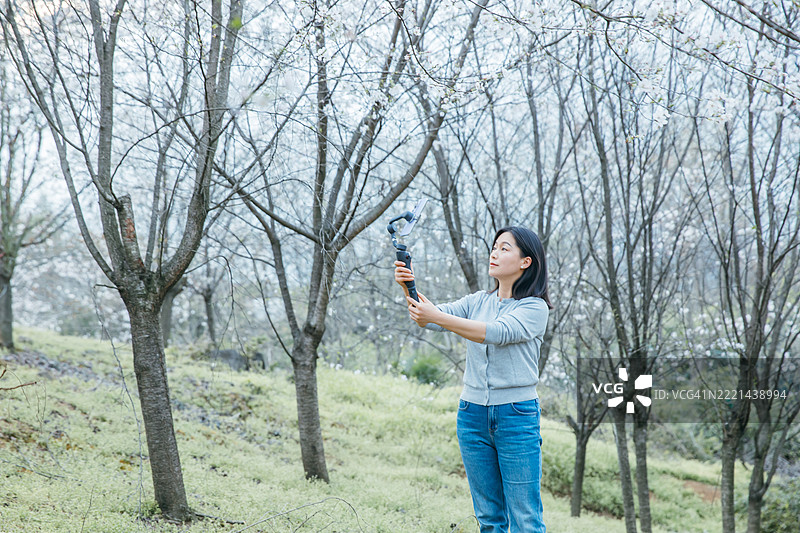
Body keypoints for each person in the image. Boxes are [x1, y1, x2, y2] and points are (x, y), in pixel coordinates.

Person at [394, 226, 551, 533]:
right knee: (489, 519)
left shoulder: (534, 307)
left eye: (505, 249)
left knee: (525, 520)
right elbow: (429, 318)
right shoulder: (478, 301)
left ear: (526, 262)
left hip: (516, 417)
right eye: (494, 247)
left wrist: (436, 316)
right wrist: (408, 286)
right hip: (472, 415)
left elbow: (495, 333)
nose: (494, 253)